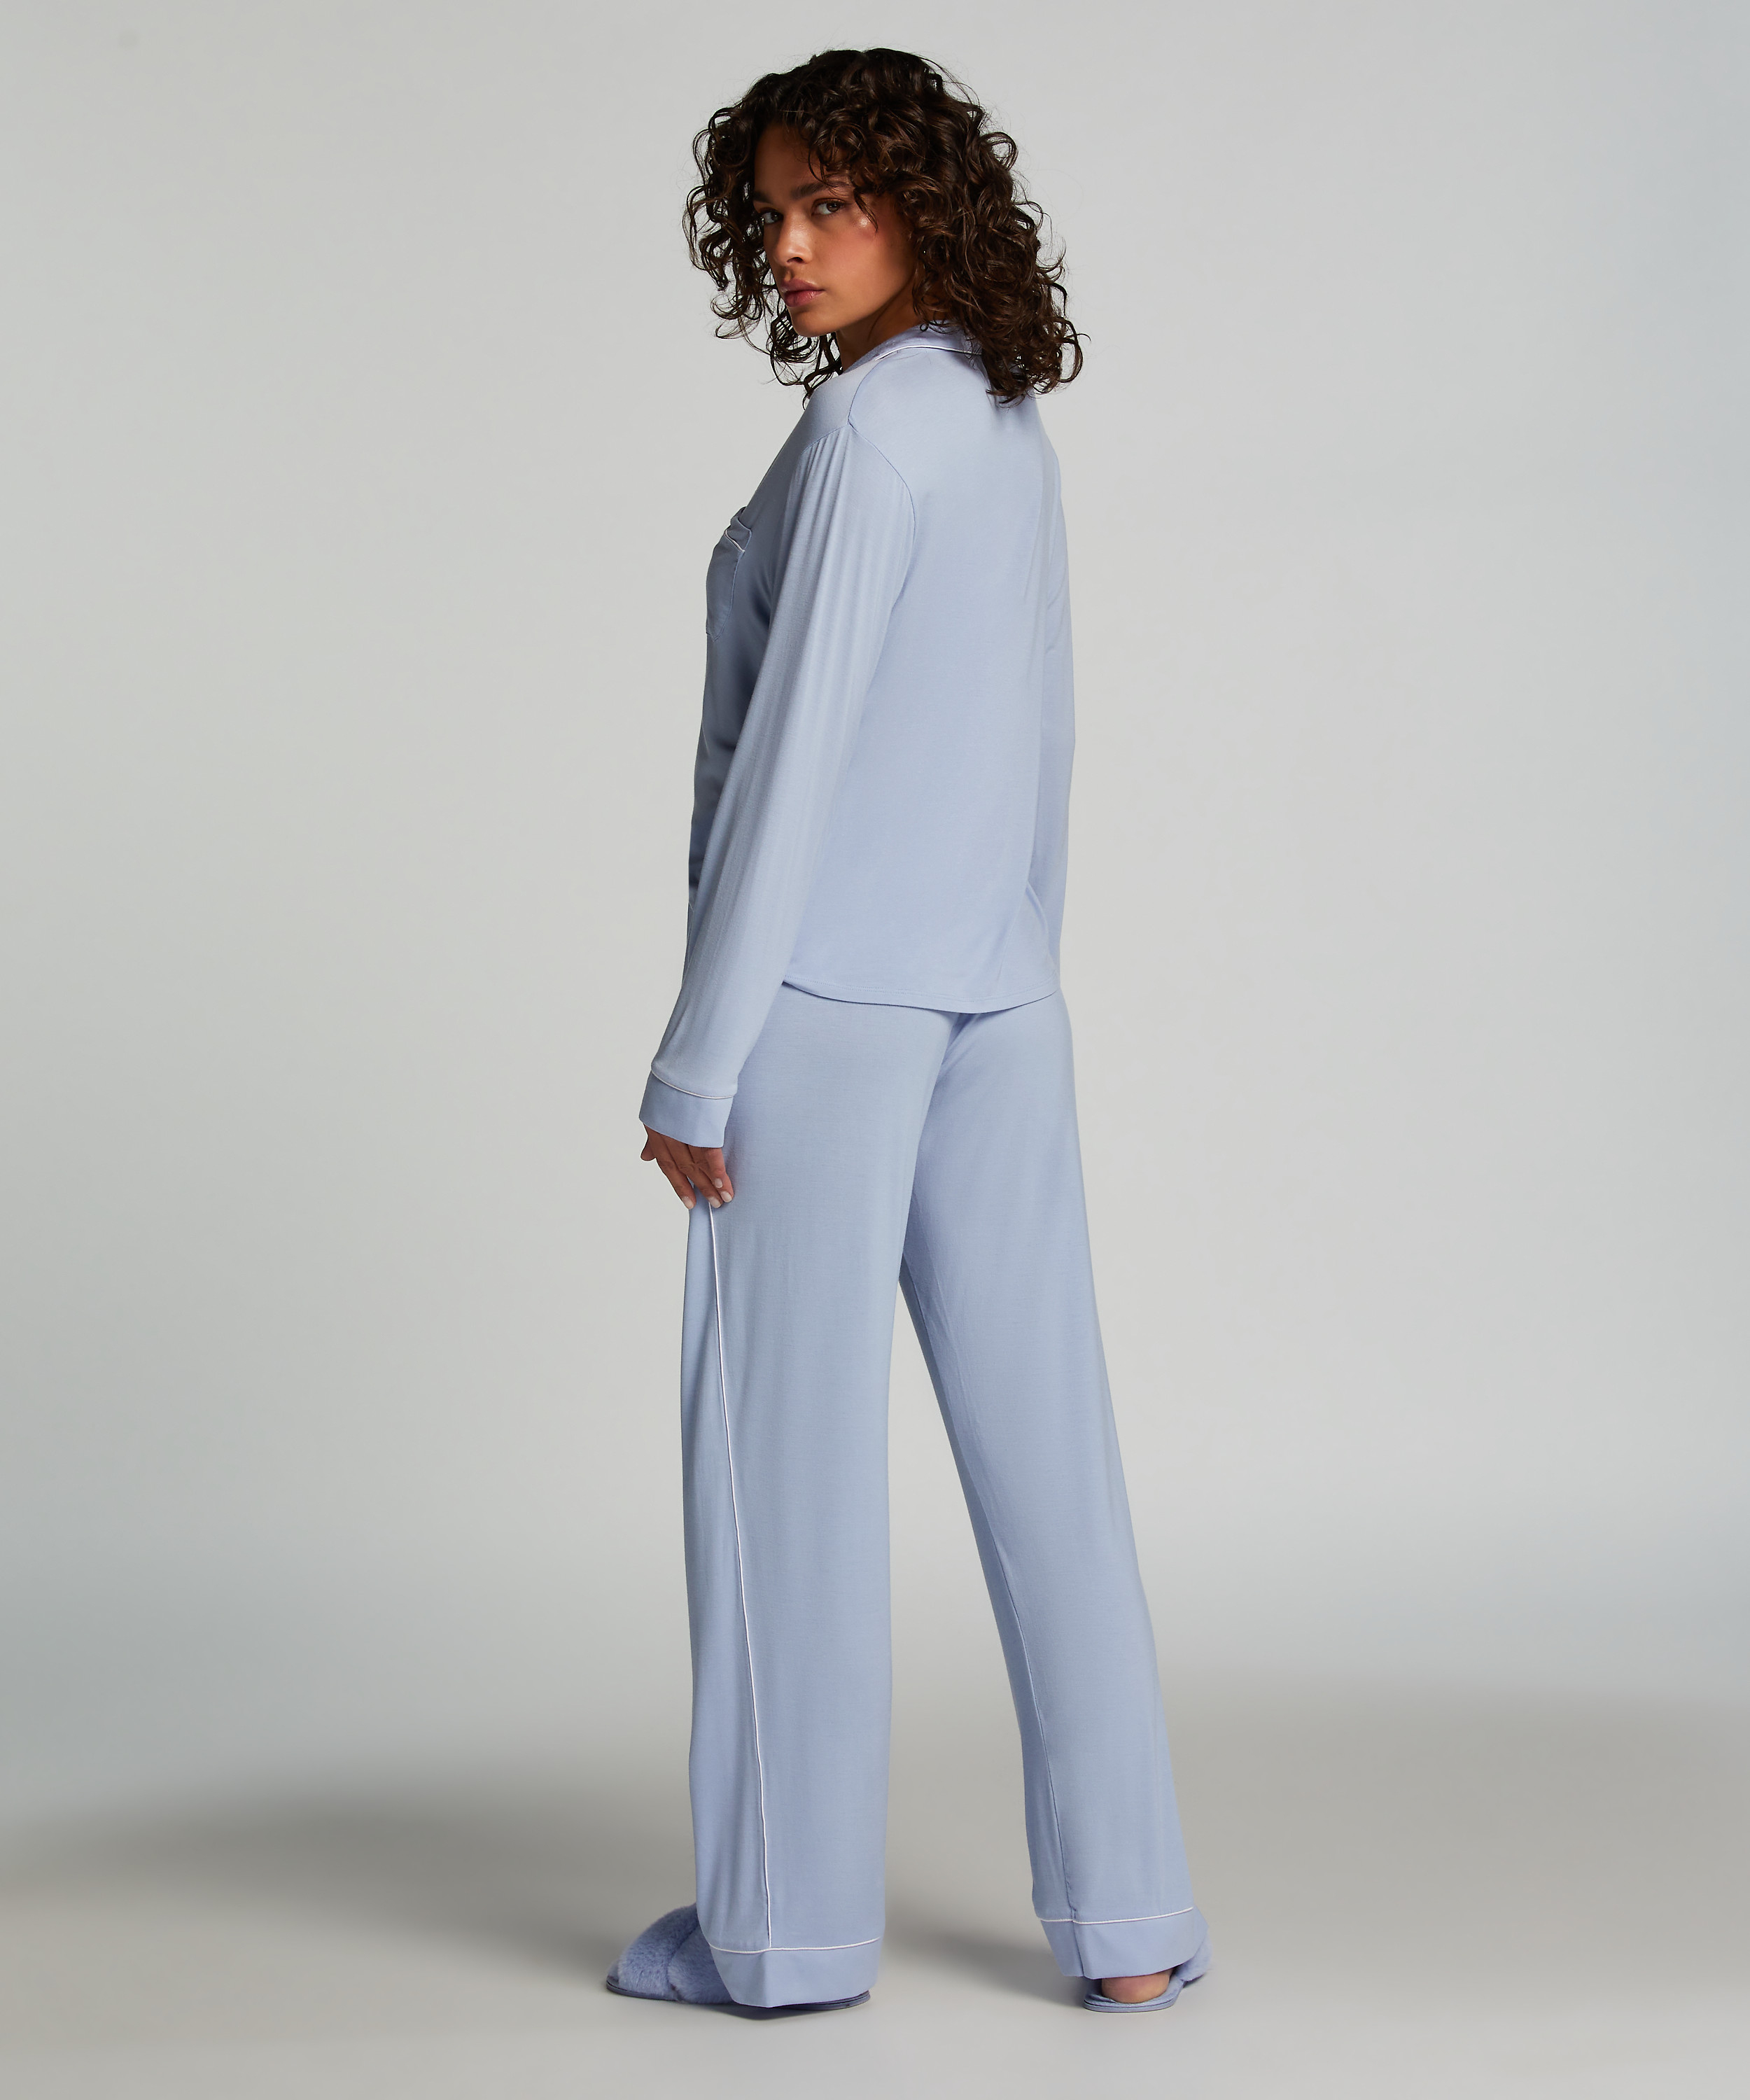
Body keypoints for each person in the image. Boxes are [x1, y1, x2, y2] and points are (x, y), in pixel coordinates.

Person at [607, 48, 1209, 2019]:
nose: (790, 245)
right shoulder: (997, 414)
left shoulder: (872, 434)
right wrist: (1022, 958)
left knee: (778, 1482)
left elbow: (789, 772)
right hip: (994, 998)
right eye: (772, 212)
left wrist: (698, 1063)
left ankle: (782, 1943)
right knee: (1054, 1469)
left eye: (831, 205)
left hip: (825, 1016)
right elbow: (1037, 735)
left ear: (920, 207)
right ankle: (1132, 1928)